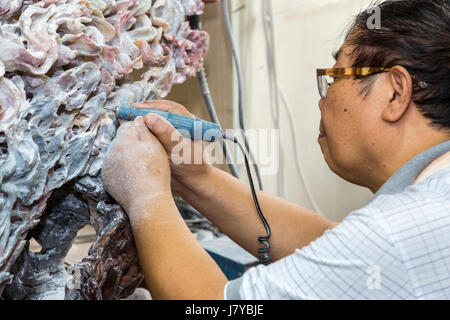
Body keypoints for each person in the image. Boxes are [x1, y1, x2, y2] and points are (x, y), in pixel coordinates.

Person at [102, 0, 450, 299]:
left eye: (335, 77)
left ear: (394, 92)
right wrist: (197, 176)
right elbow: (334, 250)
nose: (322, 99)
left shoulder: (399, 233)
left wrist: (146, 196)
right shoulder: (427, 209)